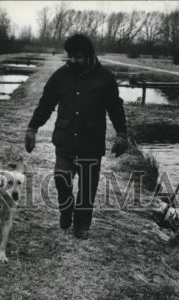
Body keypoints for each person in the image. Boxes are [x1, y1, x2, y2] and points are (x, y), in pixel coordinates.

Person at [25, 34, 130, 239]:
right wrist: (32, 128)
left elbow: (115, 108)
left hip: (91, 142)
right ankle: (66, 209)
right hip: (65, 140)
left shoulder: (105, 78)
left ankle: (81, 224)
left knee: (87, 188)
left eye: (78, 57)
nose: (72, 60)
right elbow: (46, 104)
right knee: (61, 178)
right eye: (70, 56)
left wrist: (122, 134)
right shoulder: (60, 76)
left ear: (90, 56)